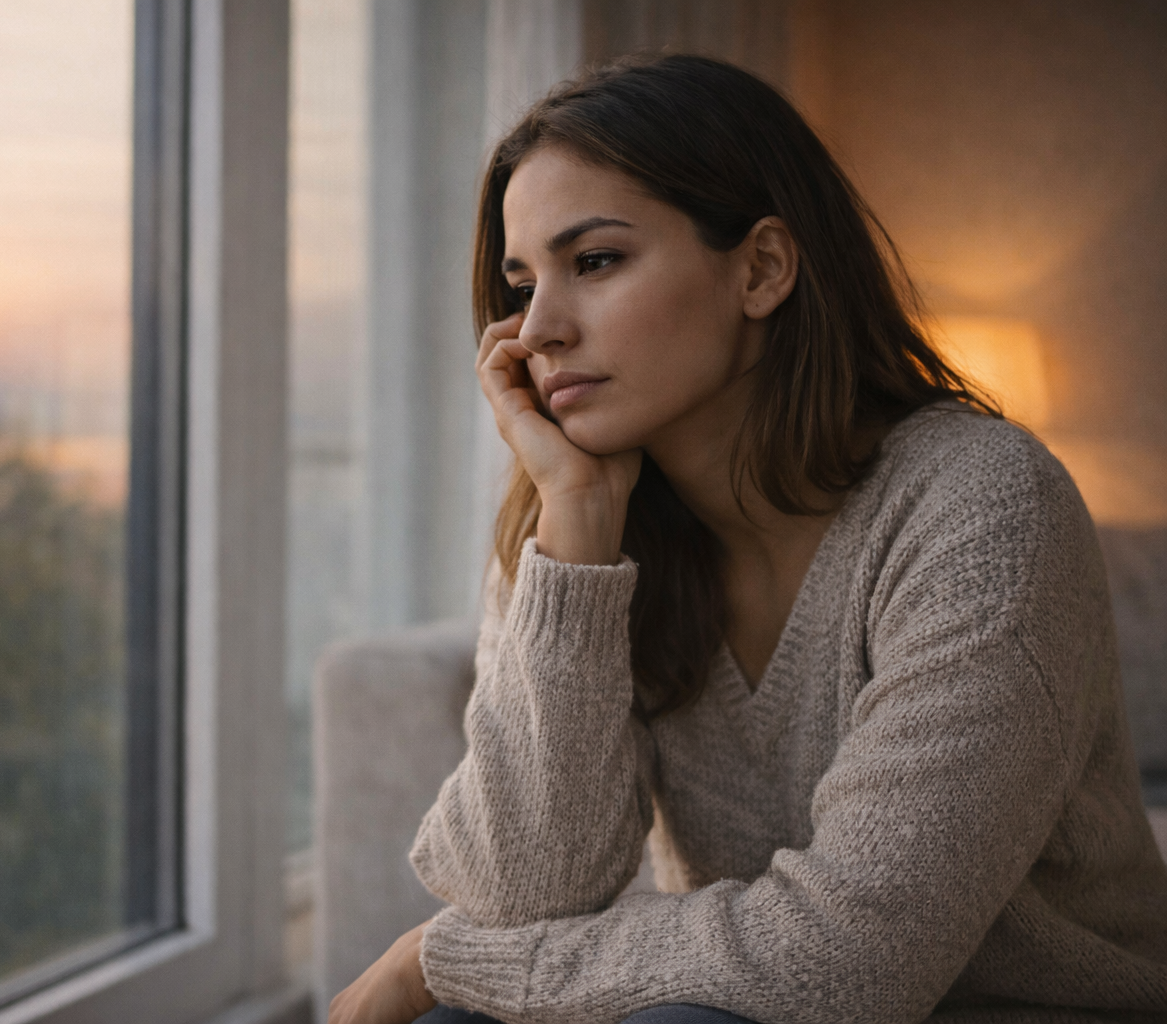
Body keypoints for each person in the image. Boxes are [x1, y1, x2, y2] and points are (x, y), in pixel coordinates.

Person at [327, 54, 1167, 1024]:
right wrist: (578, 535)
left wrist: (442, 957)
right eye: (521, 285)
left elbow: (849, 961)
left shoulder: (983, 505)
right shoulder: (575, 519)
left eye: (593, 262)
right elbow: (519, 894)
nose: (537, 329)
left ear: (762, 268)